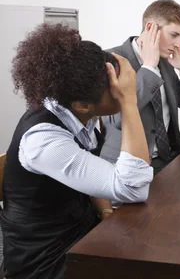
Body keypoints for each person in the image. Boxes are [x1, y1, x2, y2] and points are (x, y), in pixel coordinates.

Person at [1, 24, 153, 279]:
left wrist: (104, 211)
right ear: (82, 105)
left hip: (80, 232)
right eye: (114, 89)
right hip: (44, 261)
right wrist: (128, 102)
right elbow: (134, 188)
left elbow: (89, 169)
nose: (122, 88)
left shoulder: (77, 109)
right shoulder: (43, 141)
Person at [101, 0, 180, 174]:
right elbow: (116, 118)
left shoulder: (166, 61)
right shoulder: (111, 60)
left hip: (170, 160)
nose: (178, 44)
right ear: (150, 28)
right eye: (173, 35)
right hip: (129, 165)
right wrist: (148, 67)